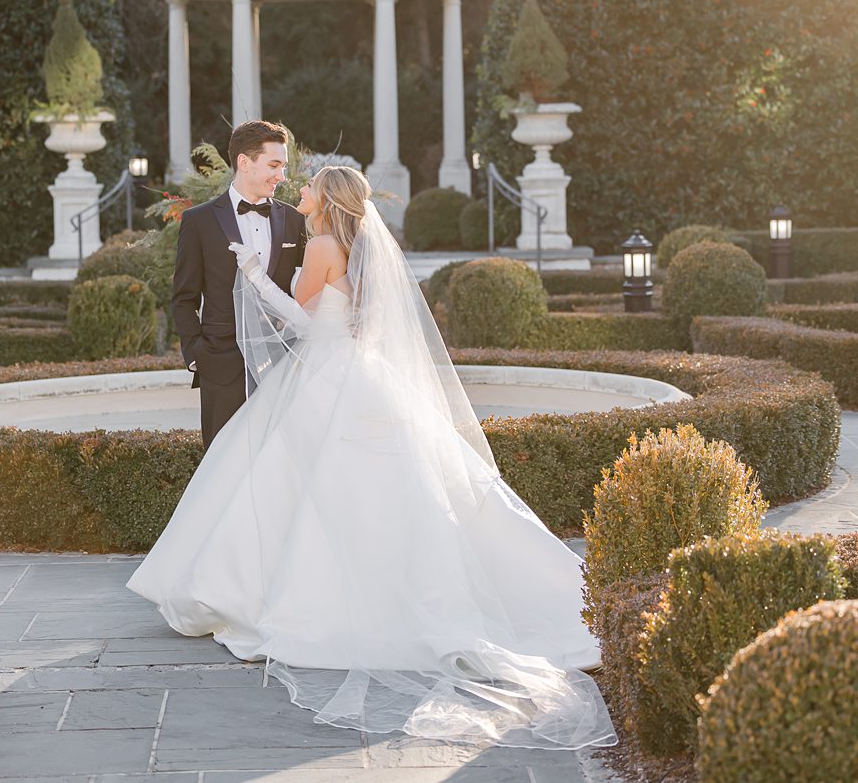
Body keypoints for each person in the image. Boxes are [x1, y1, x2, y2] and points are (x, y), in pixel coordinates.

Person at [127, 165, 616, 750]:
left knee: (284, 481)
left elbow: (300, 317)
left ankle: (272, 593)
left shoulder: (324, 244)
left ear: (326, 201)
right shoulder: (361, 246)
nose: (297, 192)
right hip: (364, 373)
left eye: (307, 187)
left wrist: (254, 277)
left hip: (327, 373)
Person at [170, 120, 307, 447]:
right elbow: (183, 297)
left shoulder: (294, 220)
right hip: (221, 366)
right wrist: (195, 354)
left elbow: (302, 293)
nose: (282, 176)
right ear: (245, 162)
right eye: (274, 165)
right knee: (222, 469)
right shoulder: (199, 221)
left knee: (280, 466)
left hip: (281, 366)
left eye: (284, 166)